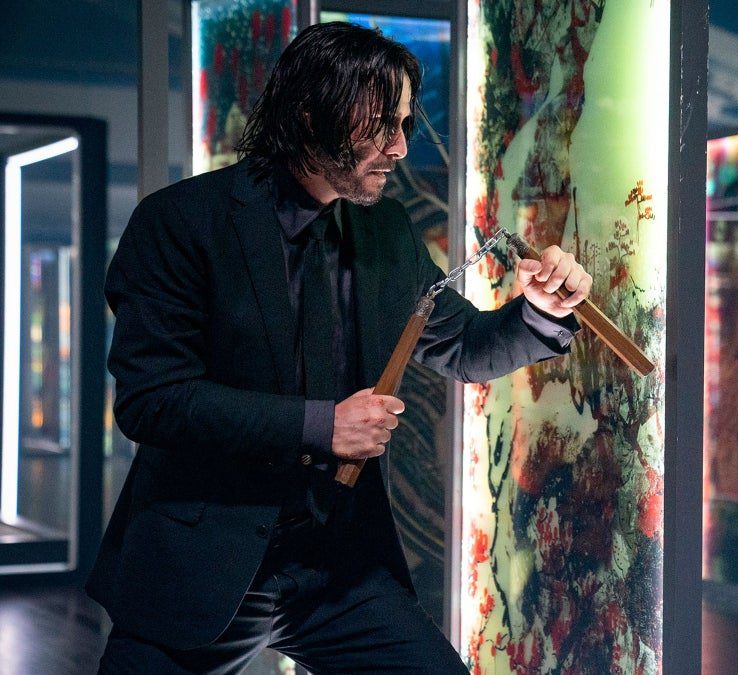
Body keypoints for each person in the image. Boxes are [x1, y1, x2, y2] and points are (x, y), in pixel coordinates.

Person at [89, 22, 591, 674]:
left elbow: (465, 345)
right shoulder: (180, 222)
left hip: (340, 571)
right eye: (381, 125)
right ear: (309, 114)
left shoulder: (384, 227)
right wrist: (323, 425)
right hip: (204, 565)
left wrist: (541, 311)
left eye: (404, 124)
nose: (399, 147)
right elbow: (154, 401)